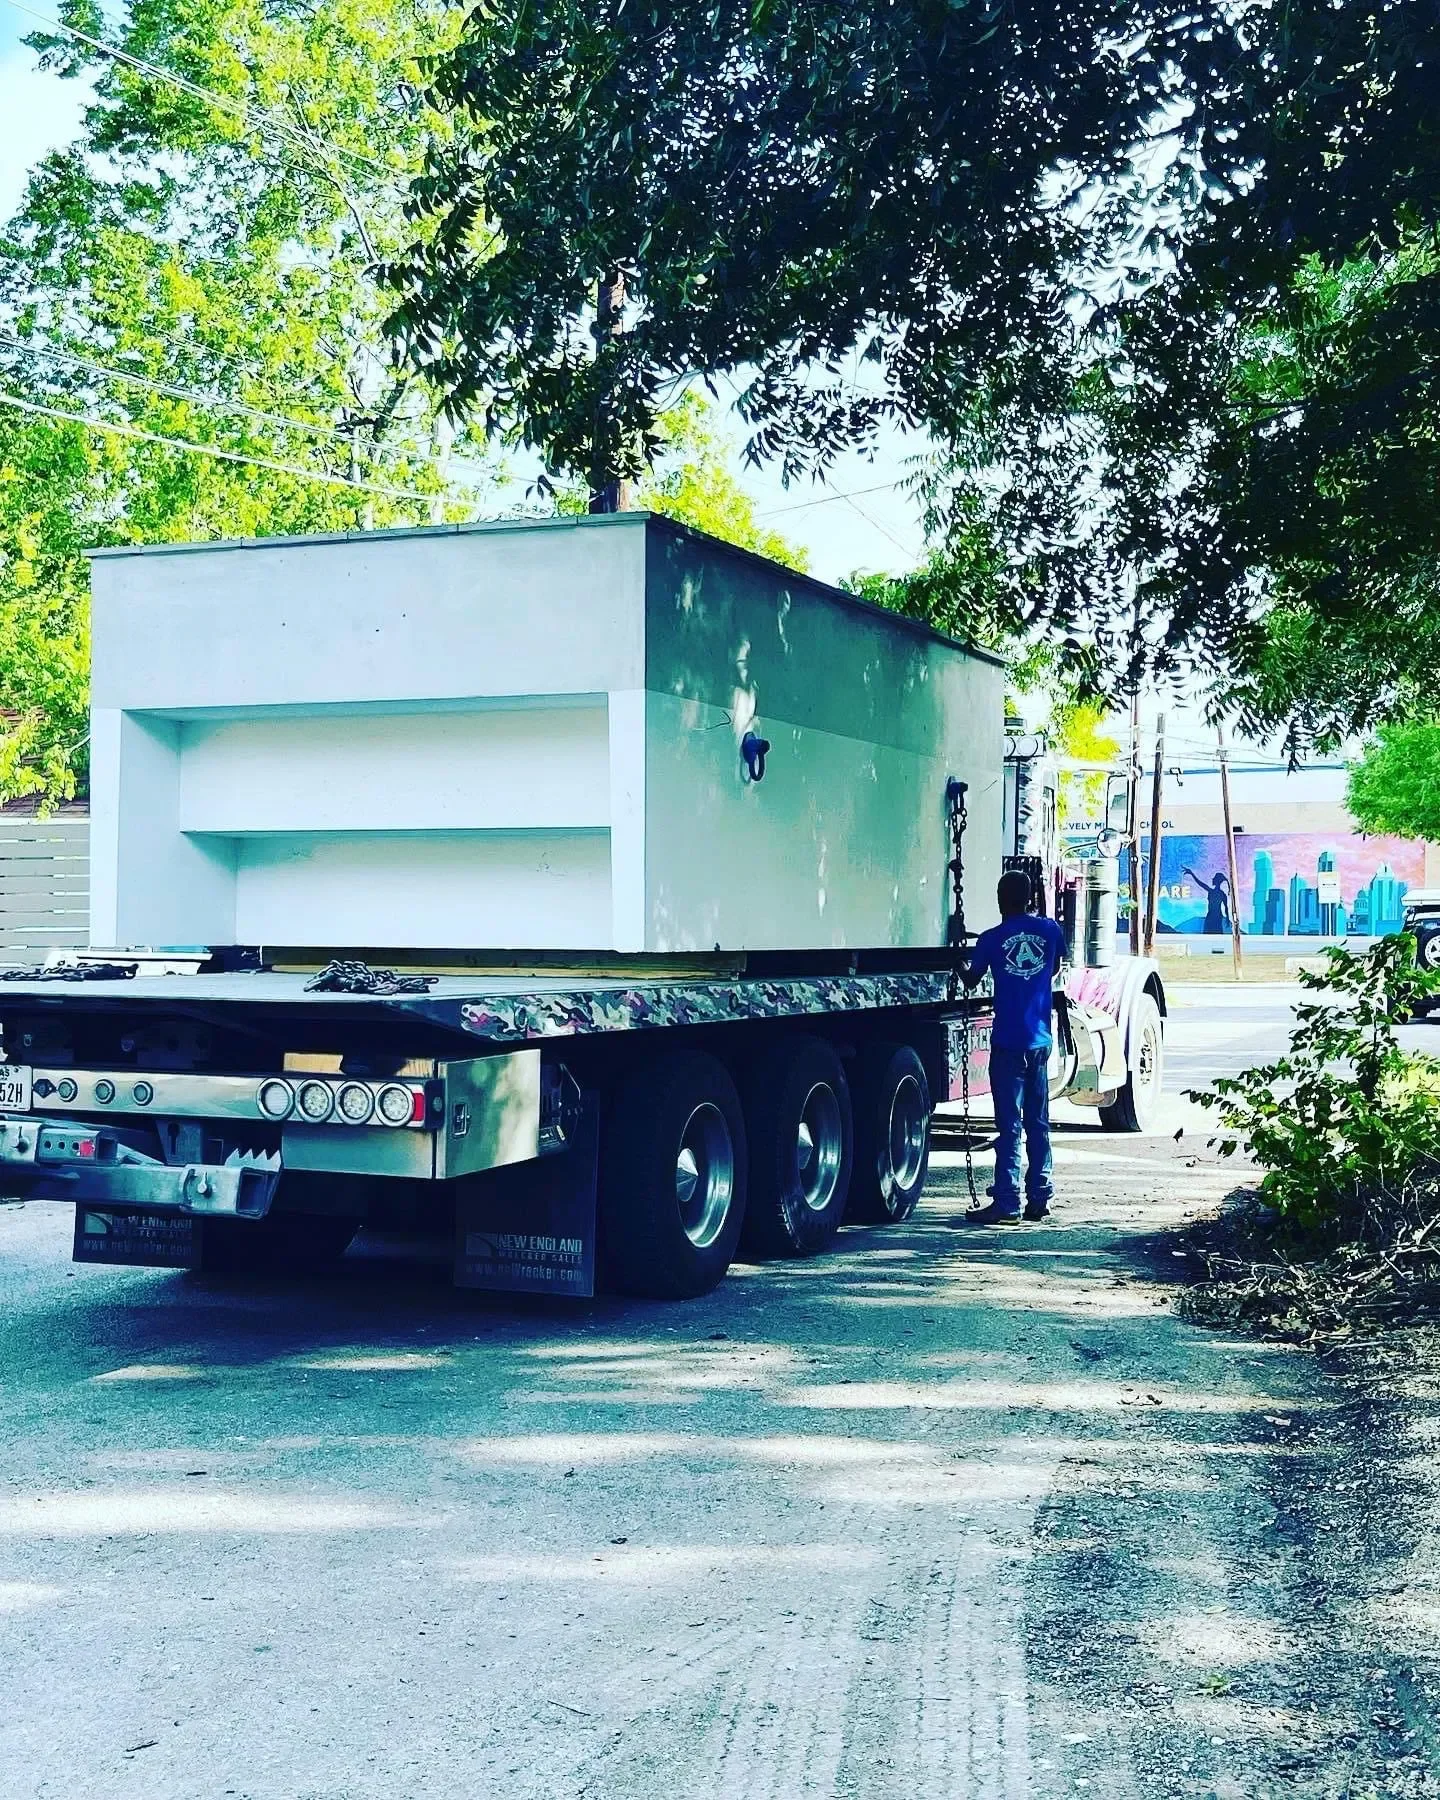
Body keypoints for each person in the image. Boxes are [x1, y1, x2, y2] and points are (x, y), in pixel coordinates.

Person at [957, 869, 1067, 1225]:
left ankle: (1007, 1201)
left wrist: (958, 958)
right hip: (1039, 1041)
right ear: (1031, 897)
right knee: (1038, 1121)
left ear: (1000, 900)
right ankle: (1040, 1196)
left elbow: (972, 979)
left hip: (1007, 1042)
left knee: (1010, 1125)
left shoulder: (991, 938)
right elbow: (1054, 969)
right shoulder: (1050, 931)